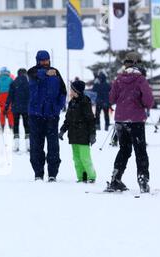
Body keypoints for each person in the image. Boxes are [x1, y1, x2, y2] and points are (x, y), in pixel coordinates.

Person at [106, 51, 154, 193]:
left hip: (120, 119)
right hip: (136, 120)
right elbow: (149, 101)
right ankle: (143, 180)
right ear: (137, 63)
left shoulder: (119, 79)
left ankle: (115, 178)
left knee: (124, 149)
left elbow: (112, 99)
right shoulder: (140, 80)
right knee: (140, 151)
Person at [27, 50, 67, 182]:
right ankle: (38, 173)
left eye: (46, 60)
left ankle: (52, 174)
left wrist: (57, 108)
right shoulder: (32, 72)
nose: (45, 62)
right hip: (35, 116)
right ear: (37, 60)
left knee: (53, 146)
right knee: (36, 146)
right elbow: (34, 76)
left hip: (51, 116)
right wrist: (45, 73)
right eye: (42, 60)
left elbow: (63, 91)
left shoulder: (56, 72)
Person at [59, 80, 97, 183]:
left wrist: (92, 134)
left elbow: (90, 119)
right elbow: (68, 119)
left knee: (85, 157)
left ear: (77, 91)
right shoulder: (72, 102)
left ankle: (91, 176)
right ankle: (82, 177)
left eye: (72, 89)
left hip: (83, 134)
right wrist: (62, 130)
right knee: (76, 158)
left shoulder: (85, 101)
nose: (70, 91)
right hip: (73, 135)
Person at [6, 68, 30, 152]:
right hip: (26, 108)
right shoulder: (28, 83)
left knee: (15, 125)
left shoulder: (13, 83)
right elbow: (31, 97)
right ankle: (28, 146)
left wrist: (6, 106)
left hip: (15, 108)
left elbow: (10, 96)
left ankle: (16, 145)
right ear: (25, 74)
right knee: (27, 126)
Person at [0, 67, 14, 132]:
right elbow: (13, 88)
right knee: (9, 111)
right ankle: (11, 125)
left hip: (1, 96)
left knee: (2, 111)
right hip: (9, 95)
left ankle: (2, 125)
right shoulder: (10, 79)